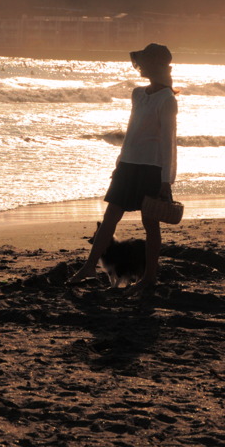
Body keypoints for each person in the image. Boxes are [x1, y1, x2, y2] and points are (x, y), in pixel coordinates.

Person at [69, 43, 178, 296]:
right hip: (128, 166)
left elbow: (168, 143)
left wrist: (166, 181)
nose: (140, 66)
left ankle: (149, 277)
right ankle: (88, 267)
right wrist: (119, 163)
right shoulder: (137, 94)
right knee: (109, 218)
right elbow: (131, 134)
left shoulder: (168, 99)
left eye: (145, 62)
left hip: (152, 169)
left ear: (156, 66)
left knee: (150, 224)